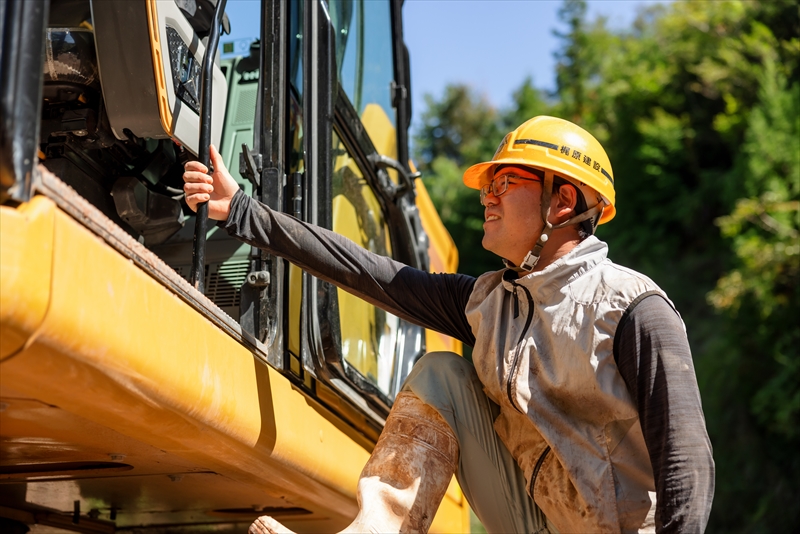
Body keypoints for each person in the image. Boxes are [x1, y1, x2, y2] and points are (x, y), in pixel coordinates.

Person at [183, 116, 715, 534]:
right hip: (535, 523)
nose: (487, 197)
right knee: (444, 374)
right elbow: (374, 275)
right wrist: (242, 212)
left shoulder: (631, 308)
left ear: (564, 200)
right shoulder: (490, 304)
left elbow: (686, 460)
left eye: (504, 182)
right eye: (488, 186)